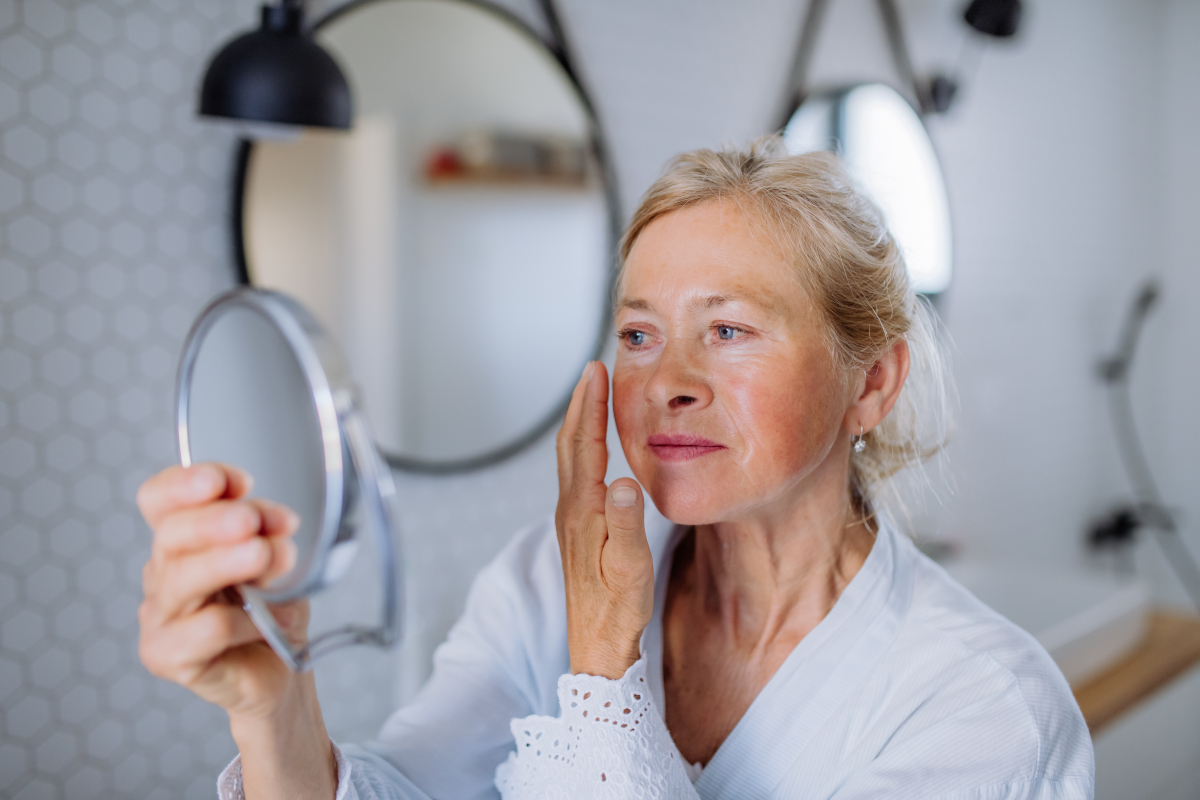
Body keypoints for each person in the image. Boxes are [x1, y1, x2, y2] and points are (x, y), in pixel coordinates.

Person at [137, 138, 1094, 800]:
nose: (667, 380)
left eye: (728, 330)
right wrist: (273, 707)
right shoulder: (539, 586)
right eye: (639, 333)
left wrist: (602, 672)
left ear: (872, 383)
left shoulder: (983, 708)